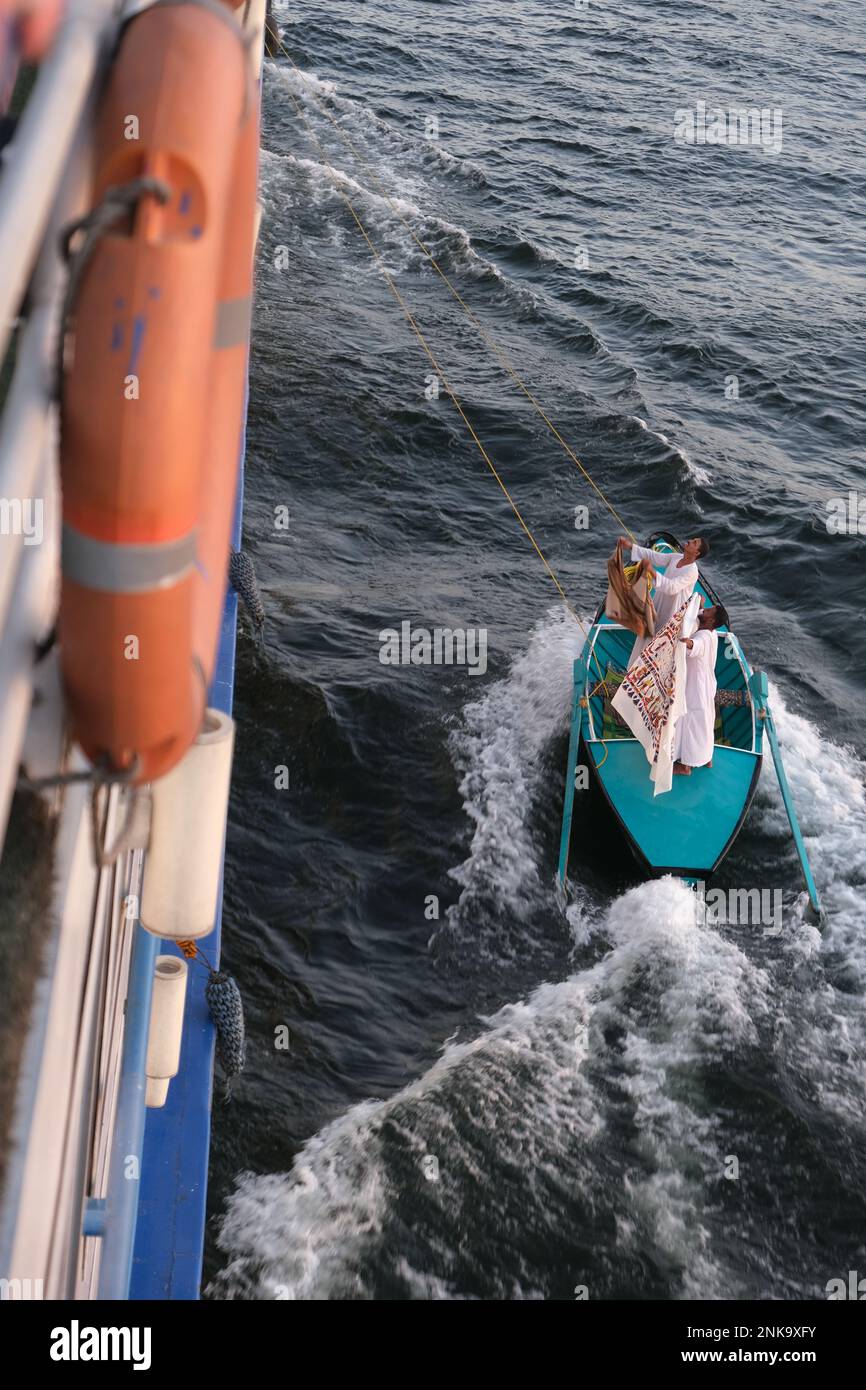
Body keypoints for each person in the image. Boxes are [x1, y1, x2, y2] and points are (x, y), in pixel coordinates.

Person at [616, 534, 709, 666]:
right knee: (642, 643)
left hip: (671, 616)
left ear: (697, 552)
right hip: (658, 608)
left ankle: (647, 681)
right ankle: (632, 673)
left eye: (694, 542)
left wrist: (652, 571)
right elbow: (654, 556)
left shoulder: (692, 572)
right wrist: (630, 546)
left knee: (656, 652)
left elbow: (672, 587)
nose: (689, 541)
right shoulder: (676, 557)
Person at [672, 603, 729, 775]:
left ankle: (686, 766)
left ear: (711, 620)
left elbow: (696, 645)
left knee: (691, 723)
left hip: (696, 687)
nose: (705, 610)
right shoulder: (712, 633)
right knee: (706, 722)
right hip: (707, 684)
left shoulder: (703, 637)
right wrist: (700, 606)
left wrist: (686, 642)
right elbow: (697, 615)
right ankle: (706, 757)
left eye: (709, 610)